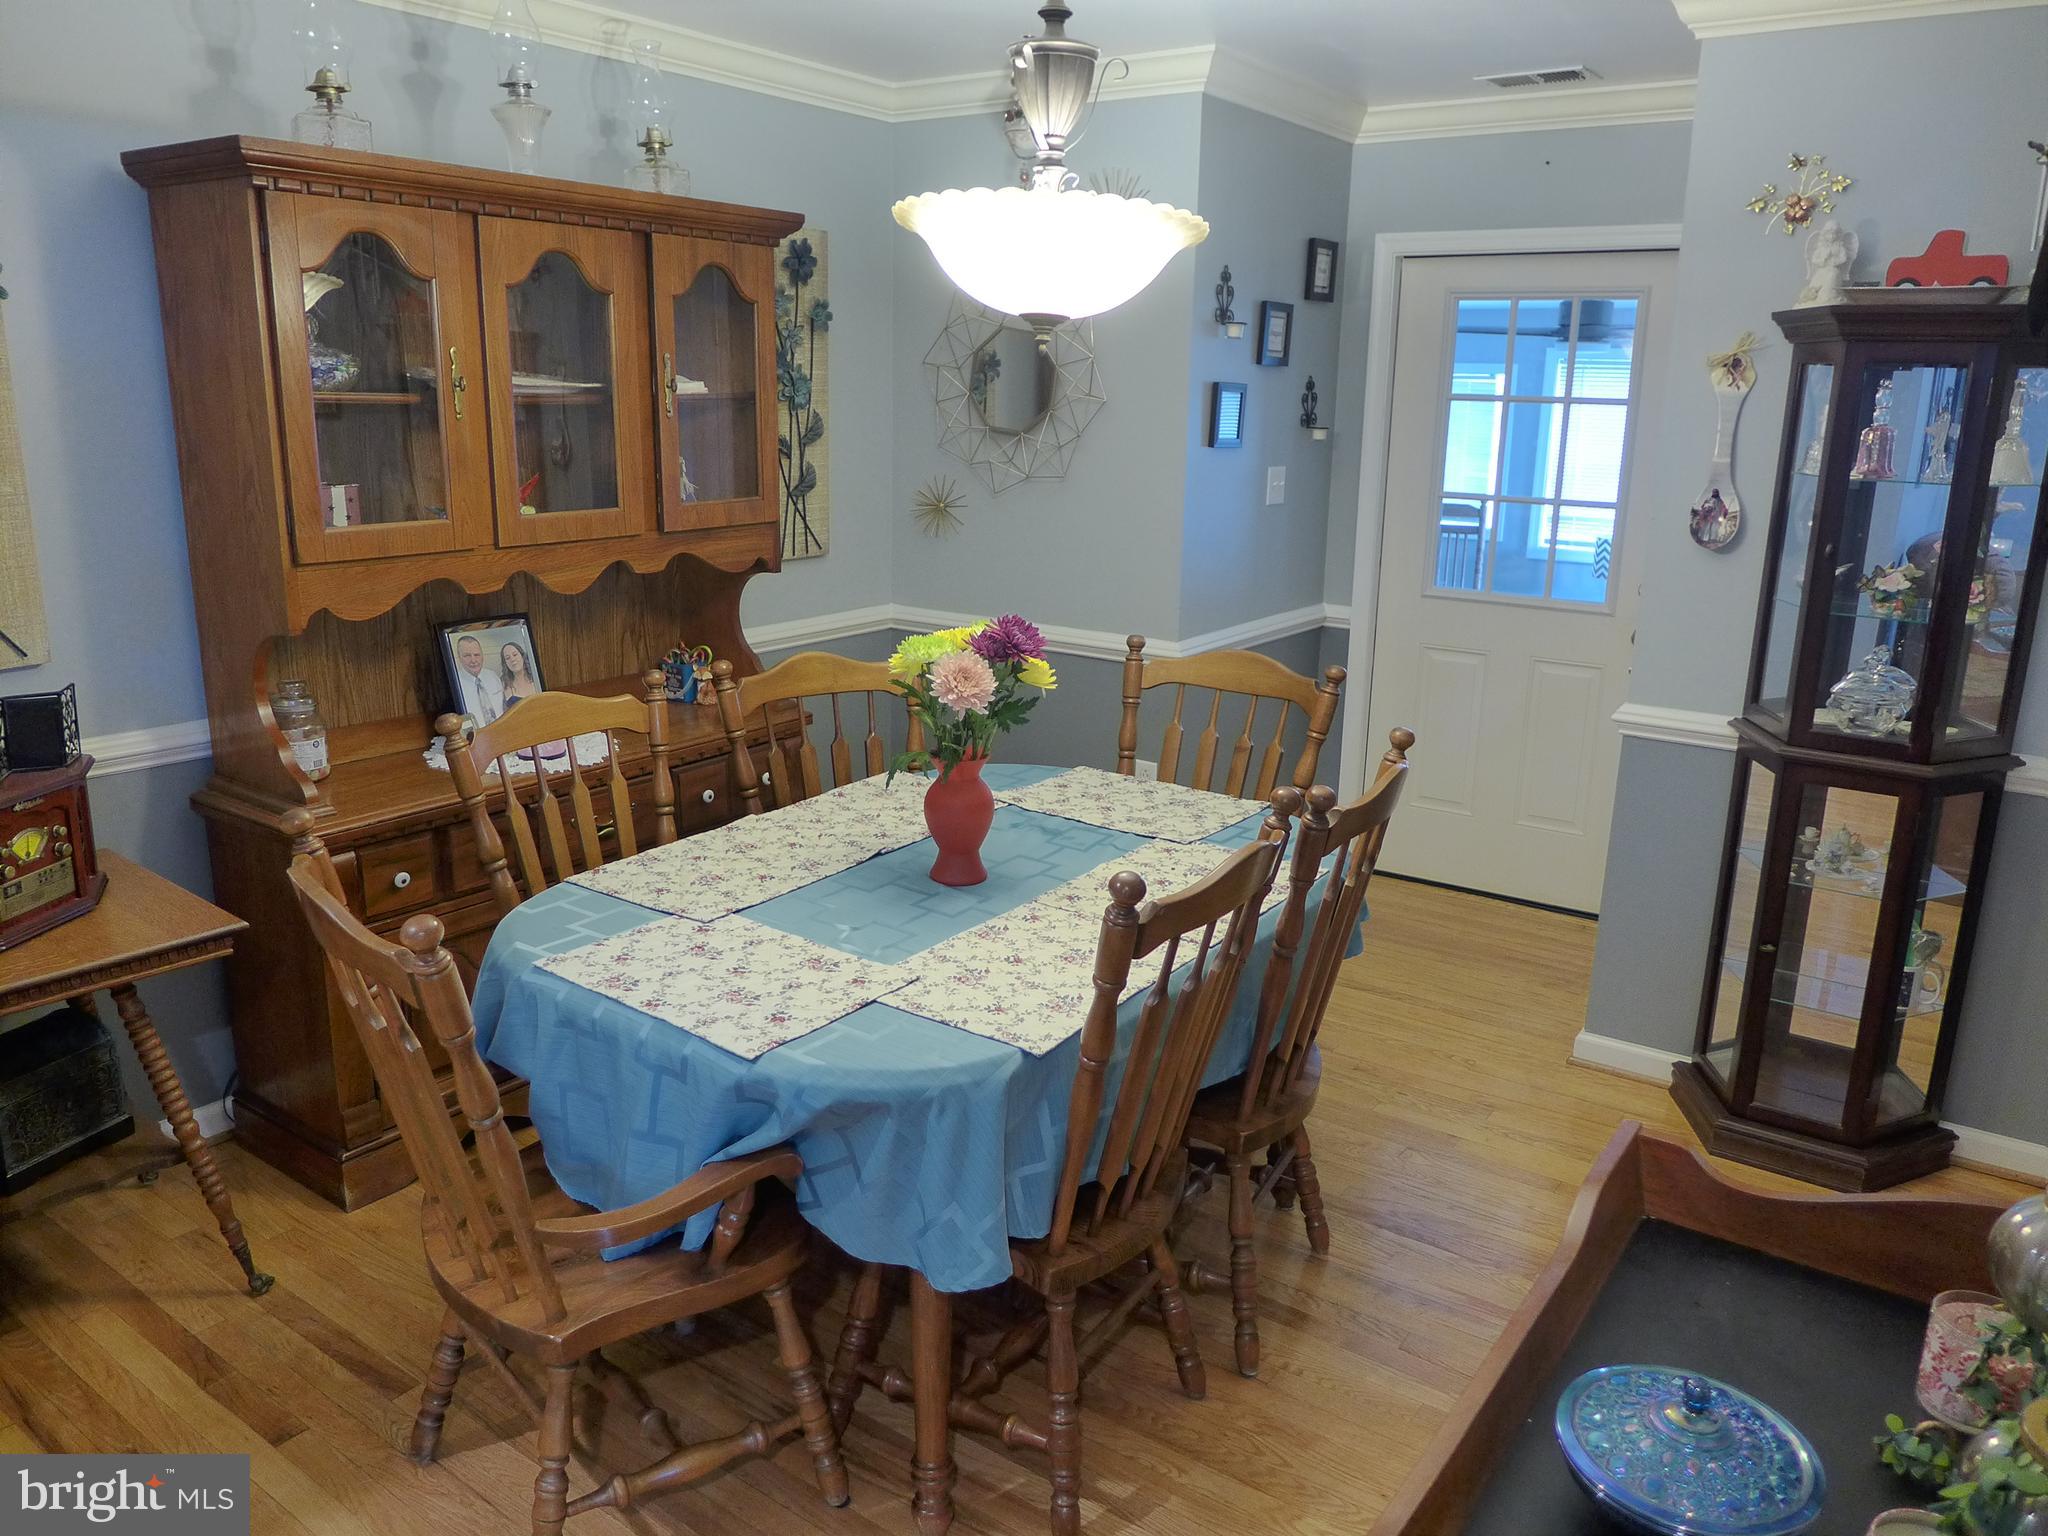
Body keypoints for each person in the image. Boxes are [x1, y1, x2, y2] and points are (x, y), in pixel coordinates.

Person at [451, 633, 505, 725]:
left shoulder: (493, 676)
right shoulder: (455, 684)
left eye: (477, 655)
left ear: (482, 656)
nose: (473, 660)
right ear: (459, 658)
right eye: (467, 656)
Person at [500, 640, 542, 707]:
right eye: (508, 658)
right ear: (505, 663)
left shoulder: (537, 679)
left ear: (522, 656)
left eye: (515, 654)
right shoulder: (503, 686)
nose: (512, 659)